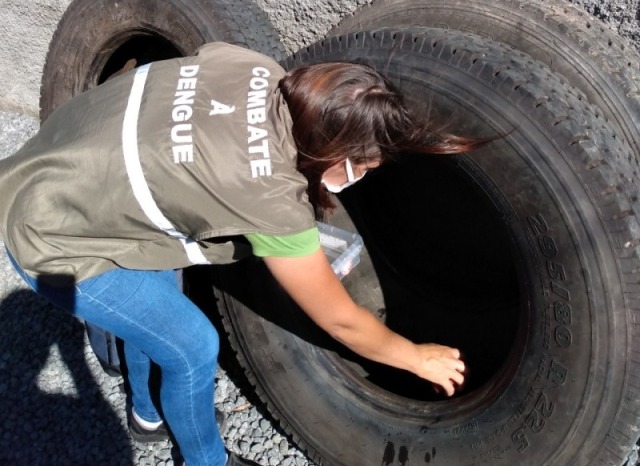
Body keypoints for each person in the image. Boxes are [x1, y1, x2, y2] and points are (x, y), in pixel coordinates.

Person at [0, 42, 477, 466]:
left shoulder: (254, 67)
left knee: (155, 300)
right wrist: (415, 356)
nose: (361, 178)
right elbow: (342, 321)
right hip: (52, 240)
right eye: (363, 167)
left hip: (63, 169)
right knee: (192, 347)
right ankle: (206, 459)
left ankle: (148, 416)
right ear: (337, 156)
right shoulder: (271, 200)